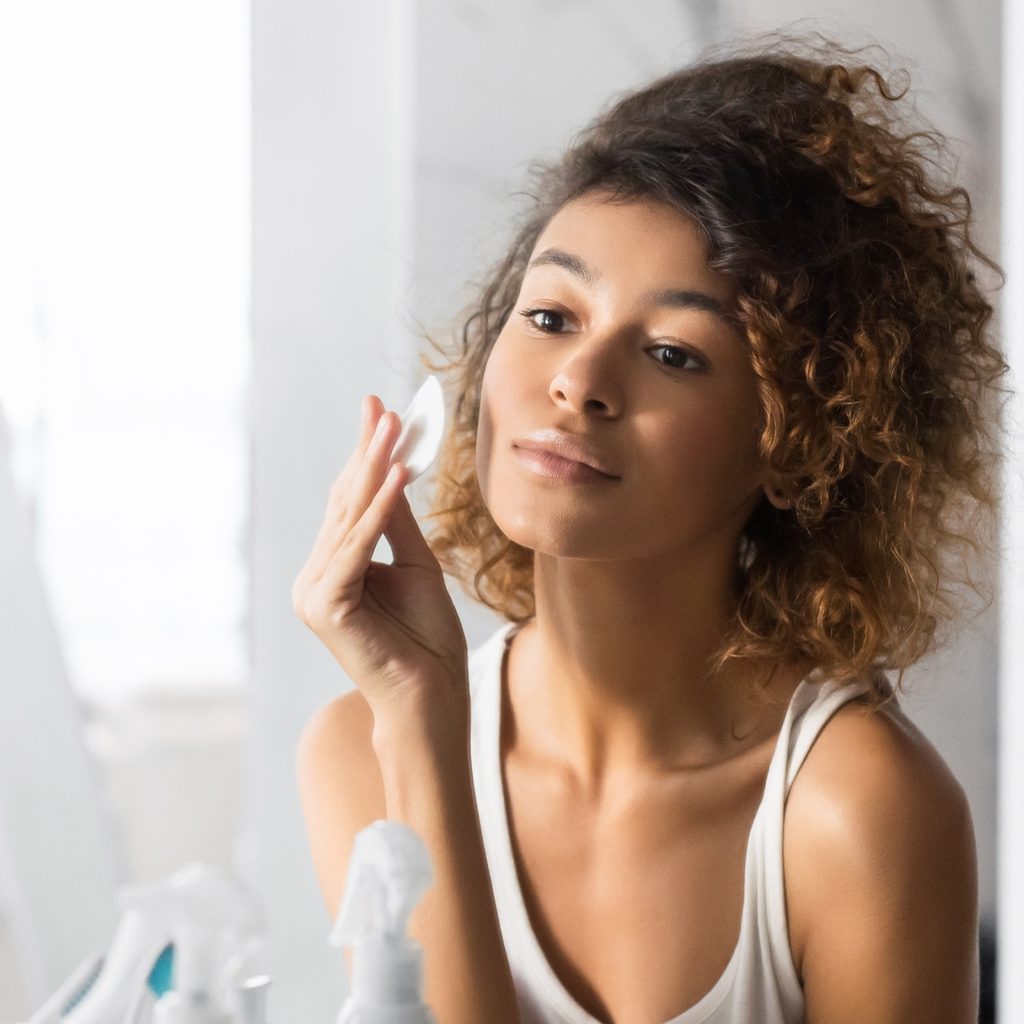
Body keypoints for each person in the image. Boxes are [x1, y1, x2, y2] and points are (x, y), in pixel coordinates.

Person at [291, 29, 1009, 1024]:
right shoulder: (361, 751)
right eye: (551, 315)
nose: (577, 382)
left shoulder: (857, 813)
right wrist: (418, 715)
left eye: (672, 353)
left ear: (798, 434)